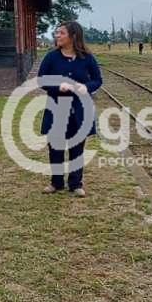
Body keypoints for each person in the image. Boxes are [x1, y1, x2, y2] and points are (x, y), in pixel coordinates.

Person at [37, 21, 103, 197]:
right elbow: (41, 80)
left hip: (80, 110)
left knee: (77, 148)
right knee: (56, 147)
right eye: (57, 33)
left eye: (62, 33)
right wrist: (58, 86)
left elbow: (97, 80)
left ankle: (76, 184)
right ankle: (56, 182)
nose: (57, 36)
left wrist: (86, 87)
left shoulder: (87, 58)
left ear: (73, 36)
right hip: (57, 108)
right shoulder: (51, 57)